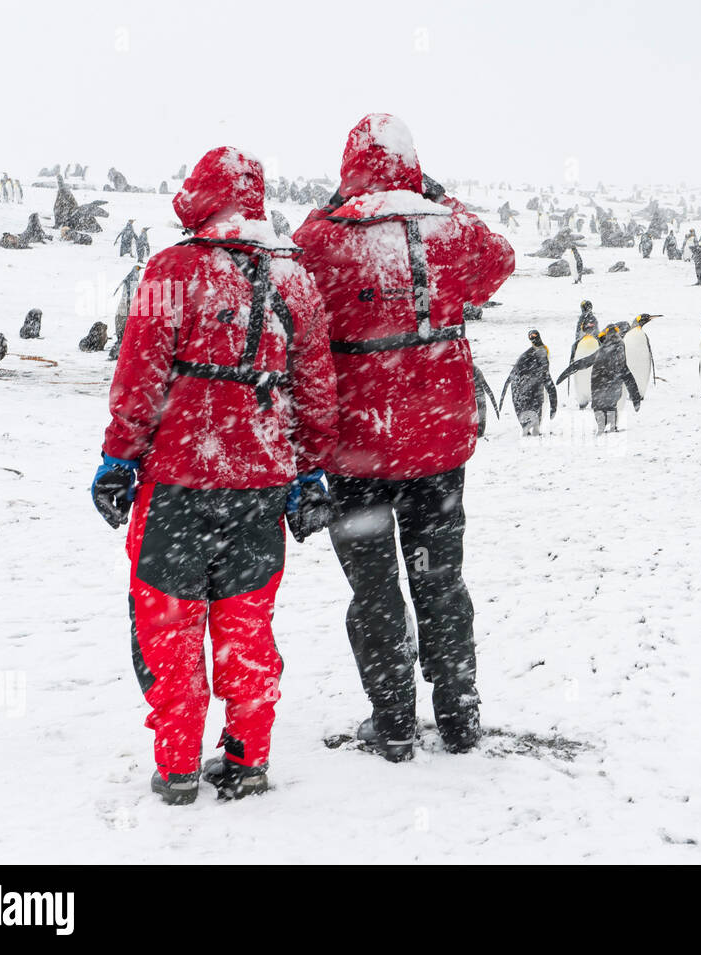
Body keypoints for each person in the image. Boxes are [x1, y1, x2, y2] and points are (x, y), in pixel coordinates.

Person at [91, 146, 338, 804]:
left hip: (176, 483)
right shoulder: (295, 281)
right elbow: (315, 389)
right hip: (260, 487)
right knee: (246, 628)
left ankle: (176, 768)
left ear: (199, 195)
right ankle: (247, 759)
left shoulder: (173, 269)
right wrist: (307, 470)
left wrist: (119, 457)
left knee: (170, 629)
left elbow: (139, 377)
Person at [293, 113, 514, 762]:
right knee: (440, 579)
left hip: (358, 452)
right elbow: (497, 260)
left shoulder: (326, 239)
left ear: (349, 165)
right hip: (439, 451)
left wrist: (332, 208)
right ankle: (459, 714)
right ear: (414, 165)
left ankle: (392, 722)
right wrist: (443, 201)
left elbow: (297, 291)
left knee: (376, 586)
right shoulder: (450, 230)